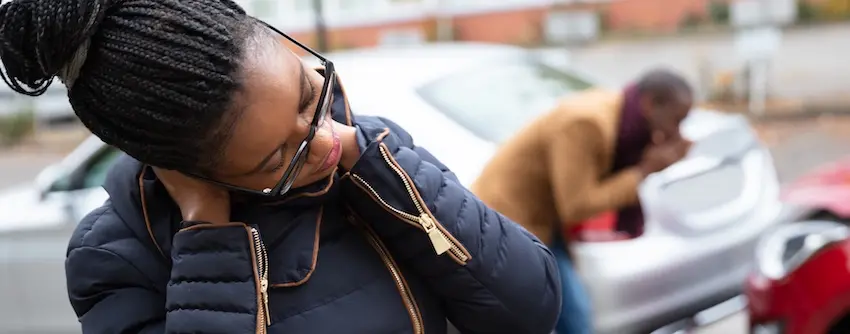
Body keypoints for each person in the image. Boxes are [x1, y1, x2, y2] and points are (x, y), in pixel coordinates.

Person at [0, 0, 562, 333]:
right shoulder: (115, 258)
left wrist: (381, 168)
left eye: (305, 95)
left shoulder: (369, 150)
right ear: (187, 169)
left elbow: (529, 307)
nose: (324, 143)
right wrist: (206, 234)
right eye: (280, 158)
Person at [471, 68, 694, 334]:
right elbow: (576, 205)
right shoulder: (587, 123)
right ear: (648, 104)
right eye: (676, 120)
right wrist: (644, 171)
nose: (677, 132)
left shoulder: (622, 118)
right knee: (570, 316)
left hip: (541, 222)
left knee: (571, 312)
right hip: (508, 222)